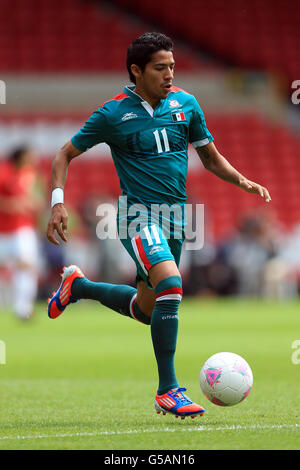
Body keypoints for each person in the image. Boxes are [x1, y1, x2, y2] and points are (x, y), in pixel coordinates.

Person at [46, 32, 271, 419]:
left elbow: (211, 158)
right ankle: (168, 390)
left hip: (176, 220)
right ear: (137, 71)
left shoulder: (186, 104)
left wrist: (242, 180)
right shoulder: (113, 114)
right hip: (136, 215)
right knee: (171, 285)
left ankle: (77, 285)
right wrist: (57, 202)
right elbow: (65, 154)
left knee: (149, 310)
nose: (169, 74)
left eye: (172, 66)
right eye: (160, 68)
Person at [0, 146, 44, 319]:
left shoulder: (31, 175)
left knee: (27, 267)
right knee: (10, 268)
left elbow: (37, 198)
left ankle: (23, 309)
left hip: (23, 229)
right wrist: (12, 204)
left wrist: (33, 203)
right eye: (30, 156)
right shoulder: (4, 173)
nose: (33, 160)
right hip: (3, 231)